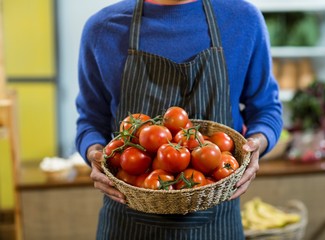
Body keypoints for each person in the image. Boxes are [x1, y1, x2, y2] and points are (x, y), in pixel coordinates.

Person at [75, 0, 283, 239]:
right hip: (126, 222)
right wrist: (94, 152)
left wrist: (256, 144)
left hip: (217, 223)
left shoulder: (243, 20)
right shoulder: (102, 29)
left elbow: (267, 109)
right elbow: (90, 119)